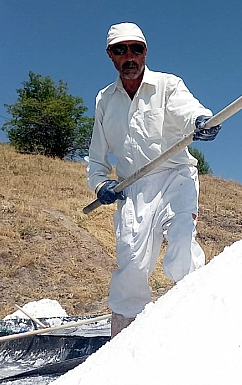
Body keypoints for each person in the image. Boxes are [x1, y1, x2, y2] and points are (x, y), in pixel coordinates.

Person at [86, 22, 220, 338]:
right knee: (131, 265)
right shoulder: (104, 100)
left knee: (181, 247)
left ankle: (194, 332)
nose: (129, 56)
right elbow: (96, 158)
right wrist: (100, 184)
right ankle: (123, 344)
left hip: (176, 177)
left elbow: (189, 111)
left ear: (146, 52)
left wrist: (201, 121)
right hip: (132, 188)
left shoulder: (167, 85)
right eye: (121, 49)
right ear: (110, 55)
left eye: (136, 49)